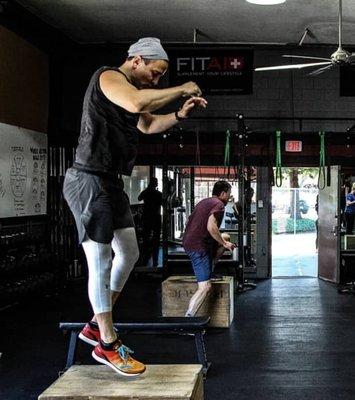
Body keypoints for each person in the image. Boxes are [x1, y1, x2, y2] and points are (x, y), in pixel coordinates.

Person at [63, 37, 207, 376]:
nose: (155, 81)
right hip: (87, 178)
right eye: (155, 73)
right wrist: (181, 87)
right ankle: (107, 343)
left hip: (111, 181)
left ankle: (97, 324)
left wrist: (179, 113)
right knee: (100, 258)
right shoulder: (109, 78)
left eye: (161, 78)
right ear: (137, 60)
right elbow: (137, 101)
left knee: (129, 252)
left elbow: (148, 123)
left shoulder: (133, 97)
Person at [182, 181, 236, 317]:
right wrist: (223, 244)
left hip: (192, 241)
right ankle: (188, 319)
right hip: (198, 246)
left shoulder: (204, 202)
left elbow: (189, 220)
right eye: (229, 193)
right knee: (205, 287)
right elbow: (211, 227)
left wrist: (223, 241)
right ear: (223, 193)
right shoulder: (219, 204)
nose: (230, 196)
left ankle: (209, 268)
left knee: (226, 237)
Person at [138, 177, 163, 267]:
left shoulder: (146, 192)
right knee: (156, 238)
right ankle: (154, 260)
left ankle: (145, 258)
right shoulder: (158, 194)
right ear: (155, 184)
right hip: (155, 217)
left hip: (147, 217)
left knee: (146, 237)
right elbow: (163, 203)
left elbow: (139, 198)